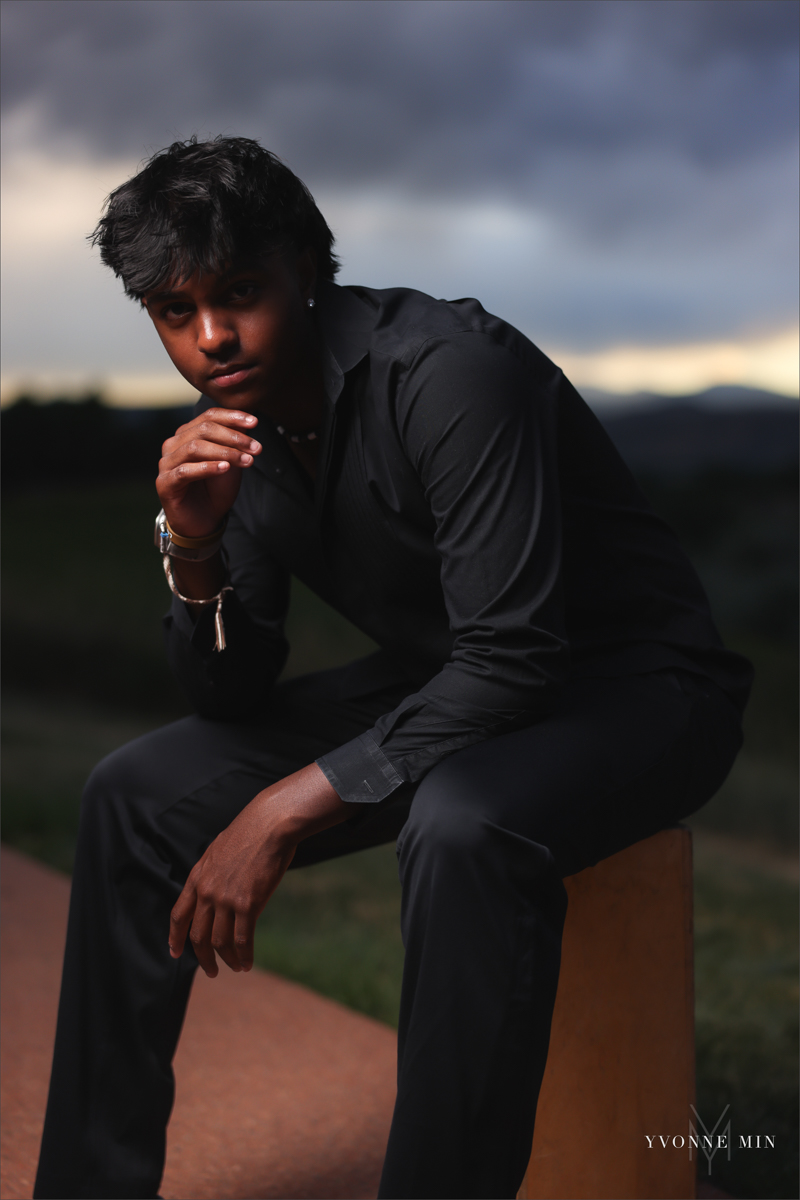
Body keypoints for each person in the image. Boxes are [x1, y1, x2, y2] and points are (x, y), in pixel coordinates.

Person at [34, 136, 751, 1200]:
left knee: (461, 821)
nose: (213, 336)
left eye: (239, 292)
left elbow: (514, 655)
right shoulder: (229, 436)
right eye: (175, 312)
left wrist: (282, 810)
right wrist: (189, 548)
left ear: (306, 272)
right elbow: (228, 695)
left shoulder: (449, 370)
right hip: (452, 678)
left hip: (639, 688)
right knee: (134, 796)